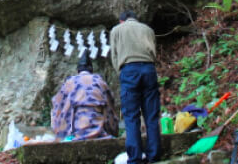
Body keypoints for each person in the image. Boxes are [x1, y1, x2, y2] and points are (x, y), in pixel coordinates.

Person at [110, 10, 160, 164]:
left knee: (131, 116)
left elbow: (114, 56)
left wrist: (122, 71)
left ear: (121, 21)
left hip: (129, 70)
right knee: (151, 115)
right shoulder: (148, 30)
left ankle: (135, 158)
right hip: (149, 69)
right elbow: (154, 52)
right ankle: (154, 155)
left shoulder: (117, 30)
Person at [51, 49, 119, 141]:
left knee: (63, 105)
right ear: (91, 69)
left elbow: (58, 103)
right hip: (99, 130)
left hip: (77, 131)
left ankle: (68, 133)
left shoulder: (71, 81)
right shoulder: (99, 81)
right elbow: (110, 105)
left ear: (78, 70)